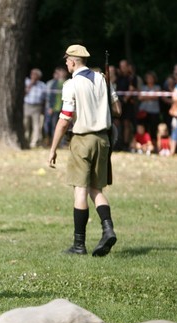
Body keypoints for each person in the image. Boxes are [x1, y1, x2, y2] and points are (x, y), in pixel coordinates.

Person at [47, 44, 121, 257]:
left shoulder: (71, 84)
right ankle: (108, 229)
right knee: (96, 189)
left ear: (72, 61)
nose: (66, 63)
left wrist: (53, 148)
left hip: (82, 140)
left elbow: (64, 119)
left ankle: (79, 245)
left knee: (80, 190)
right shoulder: (102, 79)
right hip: (103, 140)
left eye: (67, 60)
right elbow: (118, 110)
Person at [44, 66, 68, 146]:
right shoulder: (54, 83)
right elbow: (51, 96)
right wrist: (50, 107)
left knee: (65, 126)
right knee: (54, 125)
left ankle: (62, 142)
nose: (61, 73)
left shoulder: (67, 82)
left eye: (62, 72)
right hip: (55, 108)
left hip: (64, 108)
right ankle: (55, 143)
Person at [23, 68, 47, 148]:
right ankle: (26, 139)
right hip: (27, 105)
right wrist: (31, 84)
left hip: (37, 107)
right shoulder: (26, 82)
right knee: (25, 124)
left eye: (35, 74)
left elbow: (44, 98)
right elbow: (24, 93)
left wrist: (43, 109)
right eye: (32, 74)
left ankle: (34, 142)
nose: (33, 76)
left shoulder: (42, 85)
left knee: (36, 125)